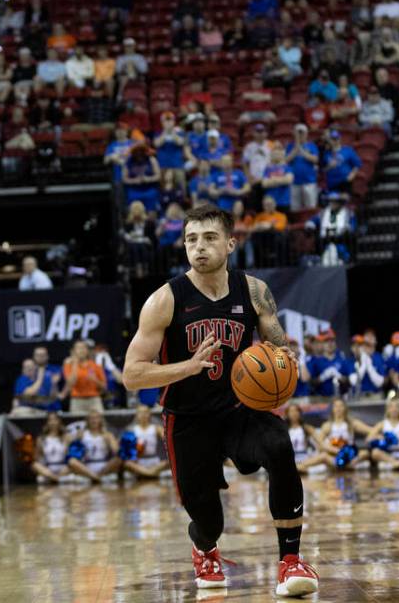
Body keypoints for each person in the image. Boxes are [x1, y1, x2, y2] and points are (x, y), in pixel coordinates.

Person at [121, 203, 318, 595]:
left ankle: (290, 561)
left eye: (209, 238)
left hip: (238, 409)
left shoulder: (255, 291)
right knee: (210, 521)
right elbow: (131, 375)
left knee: (280, 444)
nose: (199, 247)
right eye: (191, 239)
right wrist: (187, 366)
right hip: (187, 418)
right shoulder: (165, 300)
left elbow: (277, 345)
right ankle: (205, 547)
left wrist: (285, 358)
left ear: (230, 243)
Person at [307, 398, 370, 472]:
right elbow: (320, 444)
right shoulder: (328, 425)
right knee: (323, 456)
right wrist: (335, 450)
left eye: (341, 406)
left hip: (350, 455)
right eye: (336, 406)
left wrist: (370, 438)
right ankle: (300, 466)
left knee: (365, 453)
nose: (338, 408)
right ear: (332, 409)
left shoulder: (352, 423)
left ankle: (347, 465)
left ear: (345, 408)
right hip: (334, 456)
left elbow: (370, 430)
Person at [65, 410, 121, 483]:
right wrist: (76, 439)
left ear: (100, 420)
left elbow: (116, 451)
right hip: (87, 465)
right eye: (91, 418)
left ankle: (96, 476)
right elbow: (69, 448)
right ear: (87, 421)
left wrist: (111, 442)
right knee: (71, 461)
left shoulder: (108, 435)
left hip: (104, 465)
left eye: (96, 418)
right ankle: (97, 478)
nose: (94, 420)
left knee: (120, 459)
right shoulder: (82, 434)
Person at [122, 404, 168, 479]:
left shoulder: (156, 428)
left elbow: (167, 439)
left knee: (167, 462)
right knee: (127, 463)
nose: (143, 415)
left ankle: (144, 473)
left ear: (150, 414)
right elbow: (125, 449)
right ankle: (151, 473)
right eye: (140, 412)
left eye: (145, 412)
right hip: (138, 461)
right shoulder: (131, 430)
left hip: (154, 460)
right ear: (136, 415)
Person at [62, 340, 106, 414]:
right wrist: (75, 363)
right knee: (77, 422)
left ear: (87, 351)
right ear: (73, 351)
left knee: (99, 422)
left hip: (94, 399)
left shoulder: (96, 366)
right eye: (79, 348)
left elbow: (104, 387)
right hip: (77, 400)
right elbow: (70, 384)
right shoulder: (68, 365)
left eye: (83, 348)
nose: (81, 350)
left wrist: (95, 380)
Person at [30, 412, 71, 483]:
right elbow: (37, 458)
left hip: (63, 468)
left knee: (72, 464)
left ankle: (53, 479)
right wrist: (37, 451)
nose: (53, 423)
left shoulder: (66, 437)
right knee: (34, 465)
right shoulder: (41, 438)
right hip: (48, 469)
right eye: (50, 420)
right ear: (47, 423)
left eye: (55, 420)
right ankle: (57, 479)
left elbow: (70, 457)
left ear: (59, 421)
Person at [284, 404, 323, 474]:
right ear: (287, 414)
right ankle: (302, 469)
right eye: (291, 411)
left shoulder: (306, 428)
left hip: (305, 458)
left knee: (323, 459)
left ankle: (299, 469)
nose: (294, 413)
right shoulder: (283, 430)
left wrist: (319, 449)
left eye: (296, 411)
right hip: (290, 459)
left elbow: (320, 442)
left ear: (300, 413)